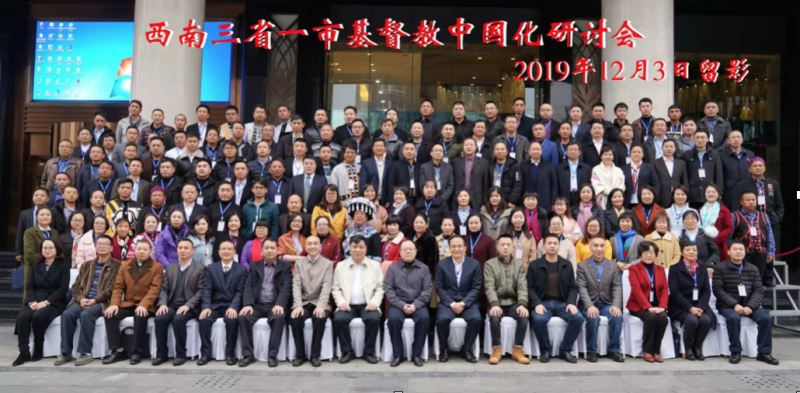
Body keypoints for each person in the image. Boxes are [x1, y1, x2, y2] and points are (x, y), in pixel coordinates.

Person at [55, 235, 120, 366]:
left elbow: (112, 289)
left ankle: (86, 352)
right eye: (99, 244)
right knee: (67, 314)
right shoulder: (87, 265)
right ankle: (66, 352)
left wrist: (94, 300)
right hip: (83, 299)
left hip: (102, 302)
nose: (101, 246)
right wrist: (81, 298)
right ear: (95, 246)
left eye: (105, 244)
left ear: (111, 248)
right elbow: (76, 286)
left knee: (86, 315)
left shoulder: (117, 266)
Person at [712, 241, 779, 365]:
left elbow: (758, 290)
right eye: (735, 249)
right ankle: (736, 351)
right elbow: (718, 290)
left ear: (744, 252)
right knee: (733, 318)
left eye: (741, 249)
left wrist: (750, 306)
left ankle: (764, 352)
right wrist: (735, 305)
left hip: (749, 305)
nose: (738, 252)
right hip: (728, 306)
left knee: (766, 318)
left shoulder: (753, 268)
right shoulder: (720, 268)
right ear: (728, 252)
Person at [102, 240, 164, 365]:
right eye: (139, 249)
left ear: (150, 251)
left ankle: (136, 351)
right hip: (129, 303)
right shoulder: (125, 266)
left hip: (146, 305)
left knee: (140, 315)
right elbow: (118, 287)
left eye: (145, 249)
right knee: (110, 314)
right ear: (134, 250)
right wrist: (114, 304)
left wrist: (144, 304)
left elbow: (155, 289)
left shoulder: (157, 267)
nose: (141, 252)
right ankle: (118, 350)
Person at [528, 233, 584, 363]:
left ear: (559, 246)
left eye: (555, 243)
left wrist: (571, 303)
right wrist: (537, 303)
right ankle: (545, 350)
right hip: (543, 303)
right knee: (538, 319)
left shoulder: (566, 265)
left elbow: (572, 287)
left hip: (562, 303)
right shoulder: (535, 265)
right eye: (549, 243)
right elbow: (529, 288)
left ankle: (565, 350)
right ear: (543, 246)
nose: (552, 246)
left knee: (578, 318)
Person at [13, 239, 69, 366]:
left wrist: (46, 302)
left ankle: (38, 349)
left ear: (57, 250)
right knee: (23, 317)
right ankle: (23, 352)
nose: (47, 250)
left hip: (54, 301)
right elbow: (30, 286)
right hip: (35, 299)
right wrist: (31, 301)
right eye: (45, 248)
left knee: (39, 316)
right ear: (41, 250)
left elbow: (63, 289)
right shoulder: (36, 265)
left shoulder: (63, 266)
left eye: (50, 248)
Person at [237, 239, 292, 368]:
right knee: (243, 317)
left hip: (275, 304)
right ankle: (248, 355)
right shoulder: (254, 266)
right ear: (262, 250)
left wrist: (280, 304)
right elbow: (248, 286)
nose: (269, 251)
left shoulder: (285, 266)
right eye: (266, 248)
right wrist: (248, 304)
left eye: (272, 248)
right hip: (257, 304)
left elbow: (286, 287)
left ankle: (272, 355)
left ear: (277, 250)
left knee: (279, 318)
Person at [153, 239, 206, 366]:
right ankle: (161, 354)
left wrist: (187, 305)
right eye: (180, 248)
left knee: (179, 319)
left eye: (186, 248)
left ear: (192, 251)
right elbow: (164, 289)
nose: (182, 250)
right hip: (172, 304)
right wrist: (163, 304)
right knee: (160, 318)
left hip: (190, 306)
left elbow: (200, 292)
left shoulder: (200, 268)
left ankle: (181, 354)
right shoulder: (171, 267)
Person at [331, 235, 383, 364]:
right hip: (348, 305)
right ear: (350, 248)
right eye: (354, 247)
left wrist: (374, 303)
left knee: (374, 319)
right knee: (339, 319)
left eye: (361, 247)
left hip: (368, 304)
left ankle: (368, 352)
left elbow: (380, 288)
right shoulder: (341, 266)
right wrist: (341, 302)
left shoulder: (375, 266)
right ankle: (347, 351)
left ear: (366, 249)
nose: (358, 250)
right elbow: (335, 288)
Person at [197, 240, 247, 366]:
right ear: (219, 252)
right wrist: (206, 307)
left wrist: (234, 307)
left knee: (231, 320)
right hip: (215, 305)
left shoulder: (241, 269)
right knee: (204, 319)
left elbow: (240, 292)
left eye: (229, 249)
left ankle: (230, 354)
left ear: (234, 252)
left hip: (231, 305)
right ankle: (205, 354)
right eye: (223, 249)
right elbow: (207, 290)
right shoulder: (211, 268)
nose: (226, 251)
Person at [384, 239, 432, 367]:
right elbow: (389, 290)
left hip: (418, 304)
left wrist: (415, 305)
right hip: (398, 304)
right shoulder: (393, 269)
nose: (408, 251)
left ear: (416, 251)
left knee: (424, 318)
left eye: (411, 249)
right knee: (393, 319)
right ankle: (397, 354)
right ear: (400, 252)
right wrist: (402, 305)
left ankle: (417, 354)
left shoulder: (424, 268)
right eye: (405, 249)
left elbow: (427, 290)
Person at [576, 236, 624, 362]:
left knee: (616, 316)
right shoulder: (582, 265)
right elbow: (582, 287)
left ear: (605, 247)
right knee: (593, 317)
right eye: (595, 246)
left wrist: (616, 305)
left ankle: (614, 350)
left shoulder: (612, 265)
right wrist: (589, 305)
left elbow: (617, 286)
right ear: (590, 247)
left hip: (606, 302)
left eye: (602, 246)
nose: (599, 249)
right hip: (589, 302)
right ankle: (592, 351)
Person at [485, 234, 530, 365]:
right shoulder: (490, 264)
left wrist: (522, 304)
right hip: (497, 302)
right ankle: (496, 349)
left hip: (513, 302)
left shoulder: (519, 265)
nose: (505, 247)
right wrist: (494, 304)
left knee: (523, 316)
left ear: (512, 247)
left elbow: (522, 286)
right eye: (502, 245)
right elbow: (489, 286)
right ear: (497, 247)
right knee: (494, 316)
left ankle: (518, 350)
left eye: (508, 245)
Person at [435, 235, 482, 363]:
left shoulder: (474, 264)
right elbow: (439, 287)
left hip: (467, 302)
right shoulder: (442, 264)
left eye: (459, 246)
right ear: (449, 248)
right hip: (447, 302)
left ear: (465, 248)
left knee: (476, 319)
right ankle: (444, 349)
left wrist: (463, 303)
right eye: (453, 246)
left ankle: (466, 349)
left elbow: (476, 288)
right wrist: (451, 303)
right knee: (442, 319)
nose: (457, 249)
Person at [289, 235, 333, 367]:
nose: (313, 246)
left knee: (319, 318)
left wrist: (321, 305)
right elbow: (296, 284)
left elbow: (327, 286)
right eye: (310, 244)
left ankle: (315, 355)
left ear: (320, 246)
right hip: (303, 302)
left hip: (320, 302)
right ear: (305, 246)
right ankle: (300, 355)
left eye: (315, 244)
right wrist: (297, 305)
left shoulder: (328, 264)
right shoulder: (299, 263)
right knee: (295, 318)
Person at [669, 240, 715, 361]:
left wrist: (700, 307)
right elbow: (675, 292)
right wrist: (690, 308)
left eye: (694, 250)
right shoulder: (675, 268)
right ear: (682, 253)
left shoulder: (702, 268)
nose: (691, 252)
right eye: (688, 250)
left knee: (706, 320)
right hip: (681, 306)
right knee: (692, 320)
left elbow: (706, 290)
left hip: (700, 305)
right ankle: (688, 348)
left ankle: (697, 347)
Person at [626, 241, 669, 363]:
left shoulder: (660, 269)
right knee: (651, 317)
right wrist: (648, 307)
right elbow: (636, 290)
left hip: (657, 305)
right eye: (645, 252)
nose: (648, 255)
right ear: (641, 254)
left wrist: (662, 306)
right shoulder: (634, 269)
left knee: (663, 318)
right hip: (638, 306)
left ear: (655, 254)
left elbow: (665, 289)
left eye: (651, 252)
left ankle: (656, 350)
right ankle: (647, 350)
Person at [730, 191, 775, 287]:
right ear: (741, 202)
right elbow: (730, 237)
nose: (751, 202)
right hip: (743, 254)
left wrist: (770, 252)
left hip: (760, 253)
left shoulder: (764, 215)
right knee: (743, 280)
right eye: (748, 200)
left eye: (753, 200)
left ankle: (757, 301)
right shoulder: (734, 216)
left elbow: (769, 235)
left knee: (759, 281)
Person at [732, 157, 784, 231]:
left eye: (760, 166)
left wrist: (777, 218)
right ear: (750, 169)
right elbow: (736, 206)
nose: (758, 168)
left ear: (764, 168)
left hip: (769, 221)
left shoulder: (773, 183)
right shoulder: (742, 185)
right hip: (748, 221)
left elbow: (780, 205)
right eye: (755, 166)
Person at [22, 207, 61, 300]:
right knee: (31, 298)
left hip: (52, 270)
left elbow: (57, 250)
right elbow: (30, 253)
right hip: (34, 268)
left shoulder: (54, 232)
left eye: (48, 215)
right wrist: (44, 264)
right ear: (36, 217)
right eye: (42, 215)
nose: (45, 217)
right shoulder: (29, 232)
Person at [683, 130, 724, 208]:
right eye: (697, 138)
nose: (700, 140)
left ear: (707, 139)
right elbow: (685, 176)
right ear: (693, 139)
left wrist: (719, 192)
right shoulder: (687, 155)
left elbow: (719, 174)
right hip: (693, 193)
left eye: (703, 137)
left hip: (710, 193)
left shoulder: (715, 154)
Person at [453, 137, 492, 209]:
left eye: (471, 145)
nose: (468, 147)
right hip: (459, 198)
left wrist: (485, 201)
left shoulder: (484, 163)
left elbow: (486, 183)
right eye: (466, 145)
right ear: (463, 147)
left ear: (475, 147)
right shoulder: (455, 162)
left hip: (477, 199)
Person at [719, 131, 755, 207]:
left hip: (747, 192)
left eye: (738, 137)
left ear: (742, 140)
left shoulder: (750, 154)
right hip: (729, 193)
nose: (736, 139)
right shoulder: (721, 155)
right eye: (733, 137)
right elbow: (719, 175)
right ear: (728, 141)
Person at [519, 141, 558, 210]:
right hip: (528, 202)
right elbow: (520, 185)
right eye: (533, 149)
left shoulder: (549, 166)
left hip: (545, 201)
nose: (535, 151)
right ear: (529, 151)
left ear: (541, 151)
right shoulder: (523, 166)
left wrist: (553, 202)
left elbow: (554, 185)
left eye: (537, 149)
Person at [679, 210, 720, 276]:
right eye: (687, 219)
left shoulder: (706, 234)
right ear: (683, 221)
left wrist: (709, 264)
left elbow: (715, 252)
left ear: (697, 221)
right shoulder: (679, 236)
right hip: (684, 270)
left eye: (692, 219)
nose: (690, 221)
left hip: (704, 268)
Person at [701, 184, 733, 262]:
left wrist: (716, 239)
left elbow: (729, 228)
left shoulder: (724, 210)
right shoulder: (699, 210)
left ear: (719, 195)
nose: (710, 194)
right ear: (704, 194)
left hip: (719, 244)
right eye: (708, 192)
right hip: (703, 244)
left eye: (713, 192)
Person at [654, 139, 689, 207]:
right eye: (666, 147)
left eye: (671, 147)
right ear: (662, 148)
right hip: (662, 198)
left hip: (678, 198)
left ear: (675, 148)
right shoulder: (655, 163)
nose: (669, 149)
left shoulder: (681, 163)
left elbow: (685, 181)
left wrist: (686, 197)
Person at [557, 142, 591, 206]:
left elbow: (589, 184)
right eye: (570, 150)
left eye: (575, 150)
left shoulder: (586, 168)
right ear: (566, 152)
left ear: (579, 152)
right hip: (565, 196)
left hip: (581, 196)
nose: (572, 152)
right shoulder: (559, 168)